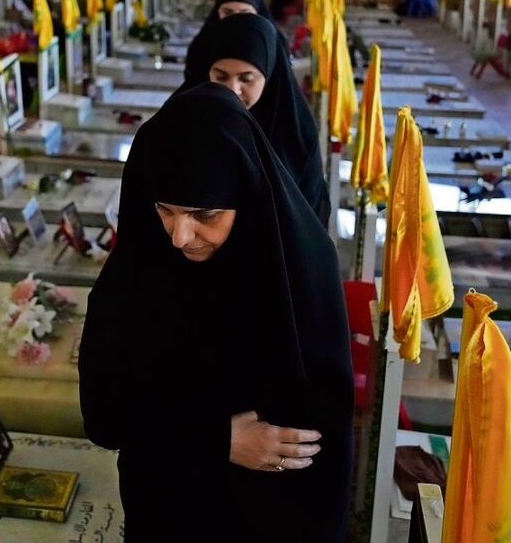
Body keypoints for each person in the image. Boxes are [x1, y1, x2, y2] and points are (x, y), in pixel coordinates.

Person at [79, 83, 354, 541]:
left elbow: (319, 446)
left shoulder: (300, 274)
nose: (179, 236)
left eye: (204, 214)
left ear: (247, 196)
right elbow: (104, 416)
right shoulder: (137, 273)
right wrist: (217, 439)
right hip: (163, 511)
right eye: (165, 210)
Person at [182, 13, 329, 225]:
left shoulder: (296, 139)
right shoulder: (186, 123)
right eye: (220, 77)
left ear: (268, 77)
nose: (232, 90)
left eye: (246, 79)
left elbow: (309, 219)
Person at [183, 0, 275, 86]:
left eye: (245, 13)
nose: (236, 20)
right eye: (228, 13)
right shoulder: (201, 47)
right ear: (217, 12)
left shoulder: (274, 48)